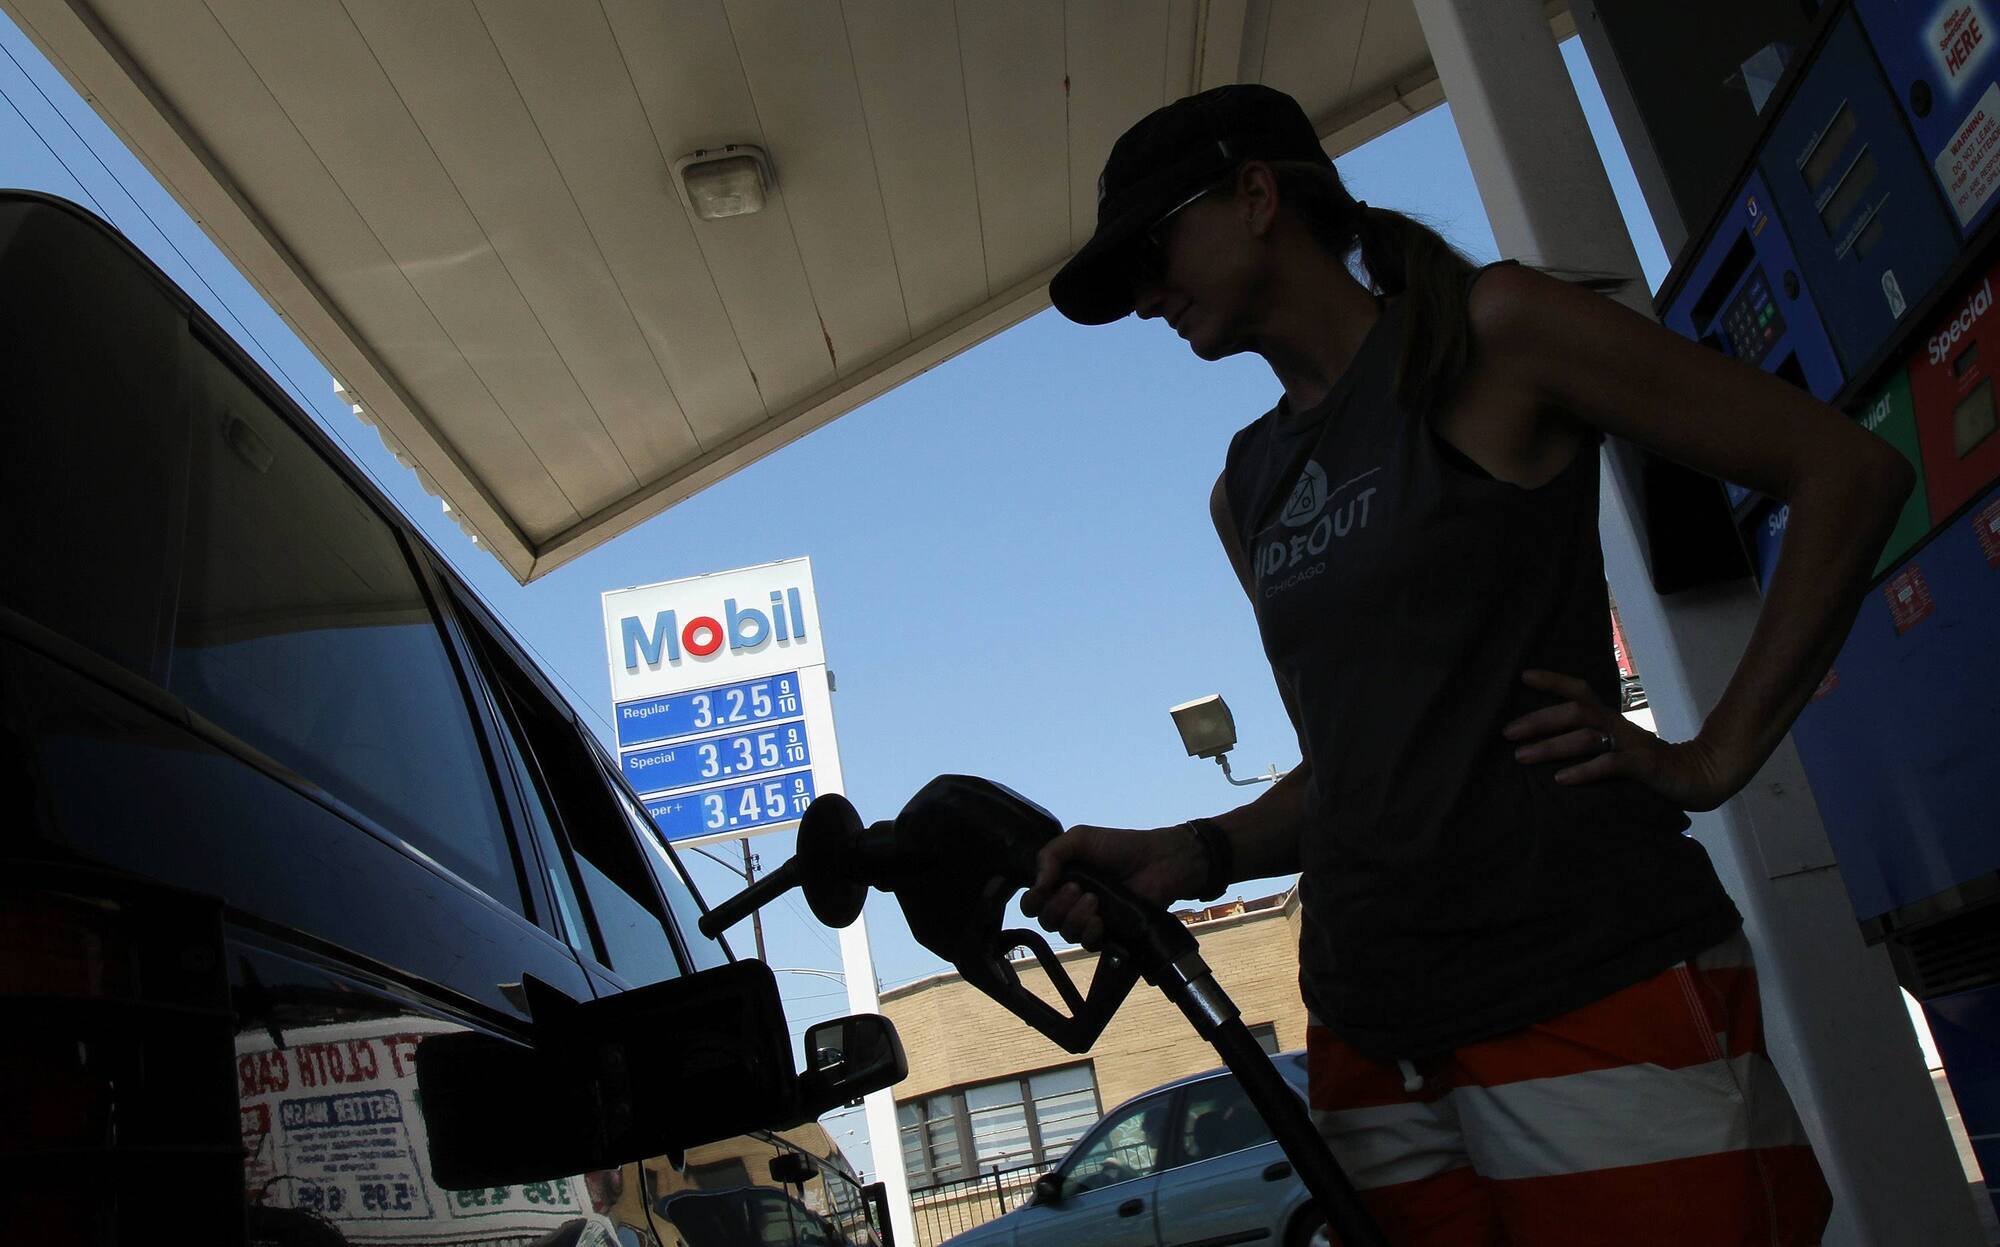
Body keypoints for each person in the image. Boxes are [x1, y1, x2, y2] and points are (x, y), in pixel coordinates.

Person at [1020, 84, 1912, 1246]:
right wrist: (1193, 849)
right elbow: (1350, 764)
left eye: (1150, 250)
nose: (1143, 298)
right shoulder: (1245, 486)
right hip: (1368, 1041)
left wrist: (1710, 757)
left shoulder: (1493, 330)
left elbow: (1844, 472)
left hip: (1583, 982)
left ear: (1255, 196)